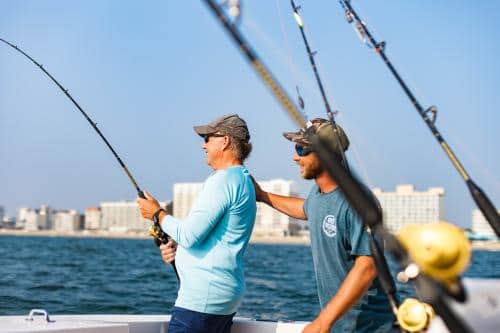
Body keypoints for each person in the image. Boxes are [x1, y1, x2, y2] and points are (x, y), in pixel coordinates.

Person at [253, 118, 395, 333]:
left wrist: (322, 322)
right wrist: (262, 195)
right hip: (341, 326)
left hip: (371, 328)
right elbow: (306, 209)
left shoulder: (357, 200)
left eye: (301, 149)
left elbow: (368, 266)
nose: (294, 157)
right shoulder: (318, 195)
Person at [137, 114, 256, 333]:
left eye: (208, 138)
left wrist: (157, 213)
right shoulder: (243, 179)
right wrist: (178, 250)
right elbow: (208, 237)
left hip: (202, 300)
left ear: (225, 141)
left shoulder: (222, 180)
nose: (203, 145)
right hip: (221, 297)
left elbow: (189, 235)